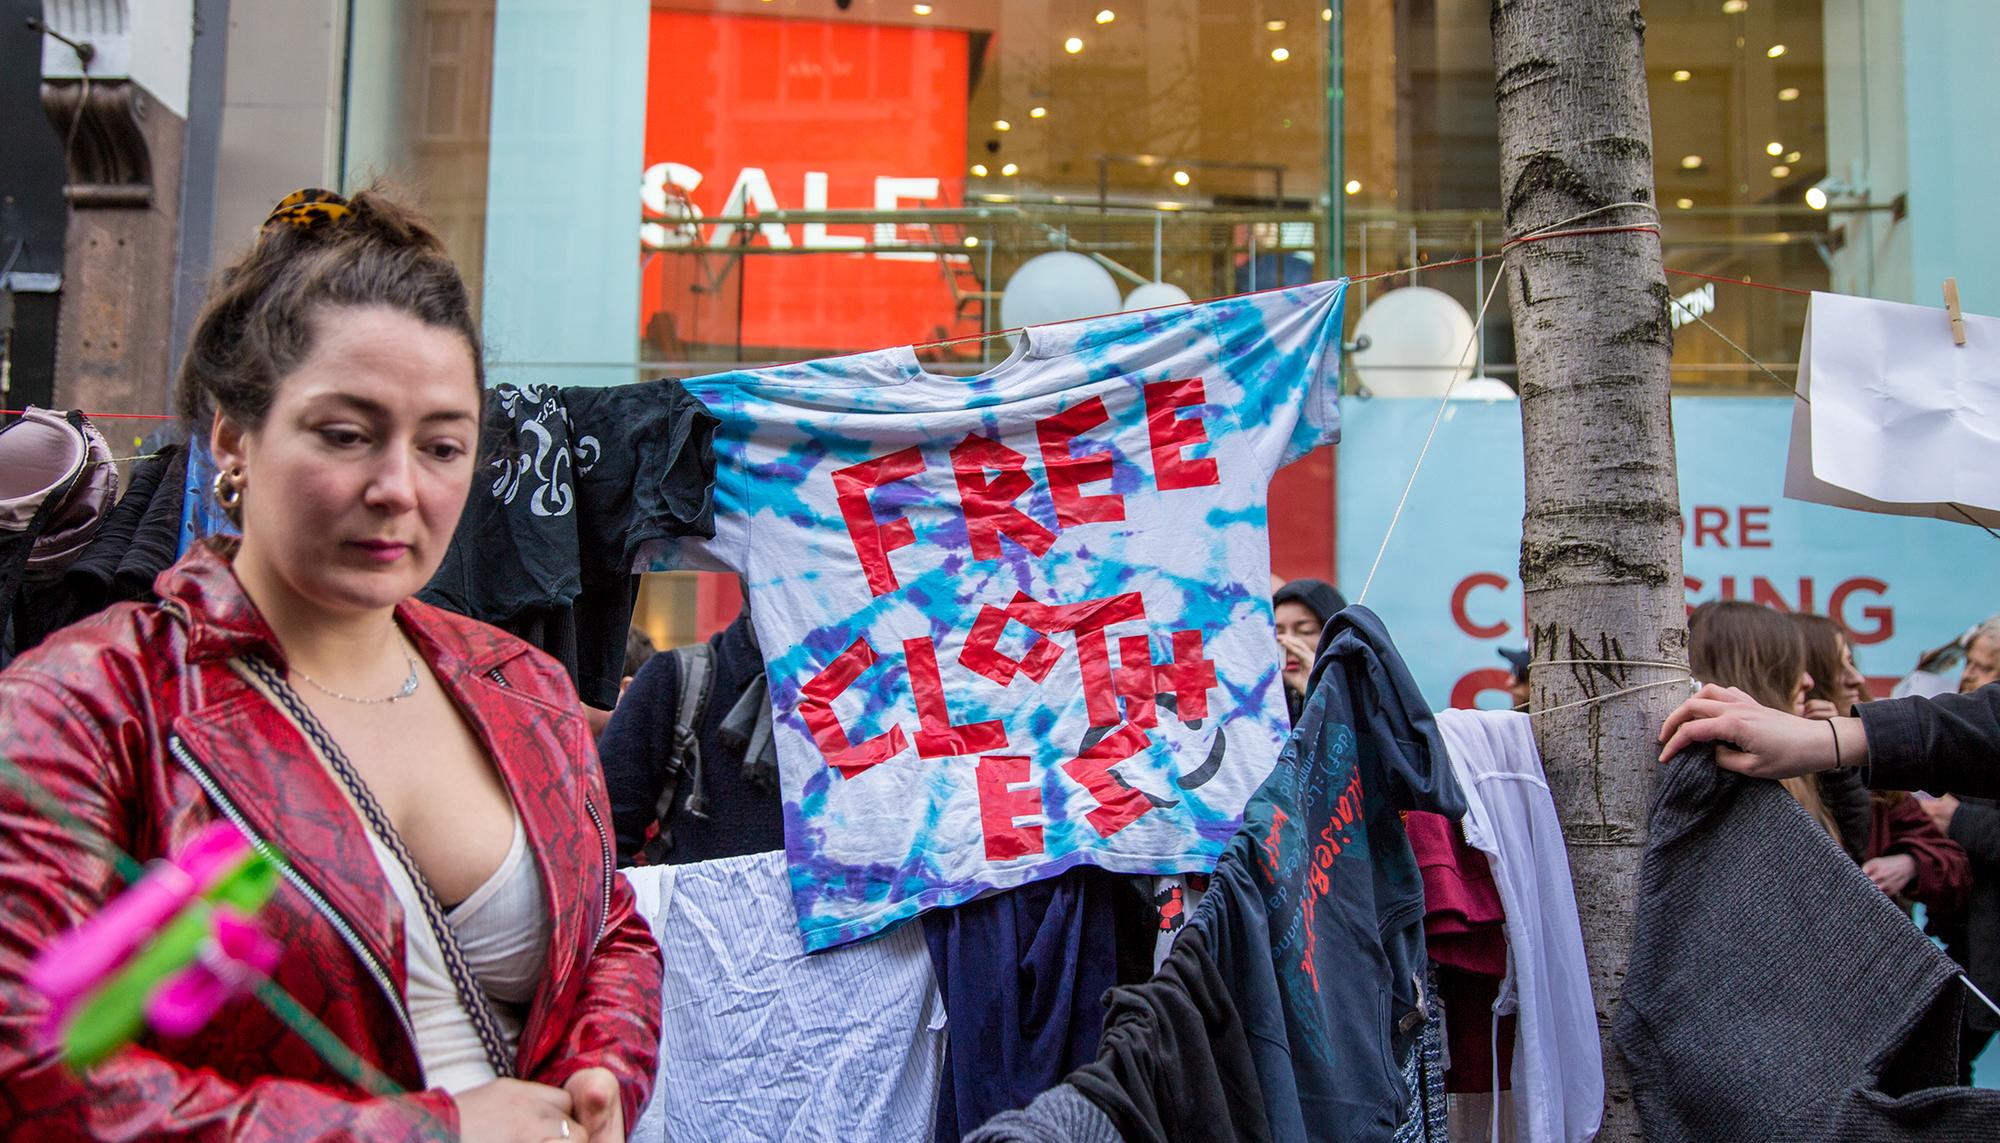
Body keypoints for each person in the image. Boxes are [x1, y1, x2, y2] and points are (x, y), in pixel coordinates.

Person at [0, 187, 661, 1140]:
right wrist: (426, 1132)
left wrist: (604, 1065)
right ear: (233, 434)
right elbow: (32, 1071)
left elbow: (611, 930)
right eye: (346, 434)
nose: (398, 489)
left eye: (442, 445)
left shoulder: (522, 686)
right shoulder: (92, 708)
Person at [1790, 612, 1968, 911]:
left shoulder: (1875, 759)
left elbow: (1954, 864)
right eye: (1838, 665)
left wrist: (1910, 863)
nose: (1855, 678)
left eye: (1852, 662)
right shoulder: (1769, 768)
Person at [1687, 601, 1840, 837]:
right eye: (1791, 666)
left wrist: (1833, 759)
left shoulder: (1785, 763)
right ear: (1758, 676)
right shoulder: (1725, 776)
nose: (1809, 681)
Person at [1273, 577, 1345, 723]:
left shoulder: (1362, 696)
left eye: (1305, 631)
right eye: (1278, 633)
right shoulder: (1265, 700)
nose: (1287, 642)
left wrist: (1316, 692)